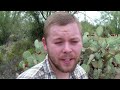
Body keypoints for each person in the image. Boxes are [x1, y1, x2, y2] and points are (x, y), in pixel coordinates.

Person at [17, 11, 88, 79]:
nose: (67, 49)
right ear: (45, 44)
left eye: (74, 41)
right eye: (59, 42)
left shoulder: (81, 73)